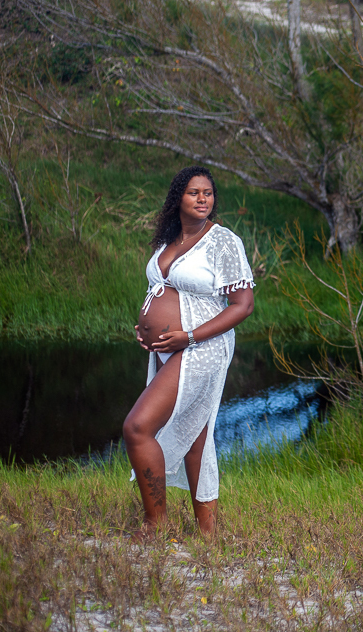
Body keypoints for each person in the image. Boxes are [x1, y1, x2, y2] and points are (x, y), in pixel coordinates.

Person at [125, 165, 255, 539]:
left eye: (208, 193)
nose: (202, 199)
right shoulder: (168, 240)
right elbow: (160, 292)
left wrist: (190, 337)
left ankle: (155, 525)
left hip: (202, 346)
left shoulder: (223, 241)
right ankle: (208, 534)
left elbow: (243, 305)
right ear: (177, 198)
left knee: (137, 427)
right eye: (194, 192)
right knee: (195, 438)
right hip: (169, 349)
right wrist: (146, 328)